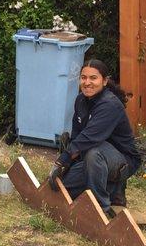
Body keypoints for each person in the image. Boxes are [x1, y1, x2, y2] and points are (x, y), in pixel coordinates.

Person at [48, 59, 141, 218]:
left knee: (93, 151)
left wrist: (62, 160)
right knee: (62, 190)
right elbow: (77, 137)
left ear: (104, 81)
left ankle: (100, 210)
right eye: (83, 78)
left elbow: (88, 139)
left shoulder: (110, 105)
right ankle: (113, 190)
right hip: (94, 161)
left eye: (93, 78)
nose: (87, 82)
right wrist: (67, 168)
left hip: (121, 162)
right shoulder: (80, 100)